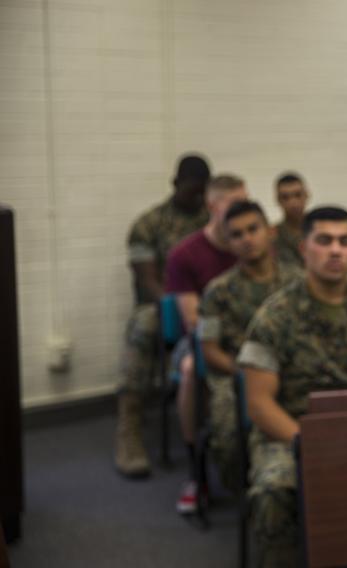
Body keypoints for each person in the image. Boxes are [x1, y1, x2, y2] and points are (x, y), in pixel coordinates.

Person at [238, 206, 347, 566]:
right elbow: (259, 404)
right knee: (275, 492)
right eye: (324, 241)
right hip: (291, 434)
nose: (335, 250)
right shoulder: (273, 316)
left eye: (345, 242)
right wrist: (310, 443)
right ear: (304, 249)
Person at [115, 153, 211, 479]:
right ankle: (129, 428)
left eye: (203, 192)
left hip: (210, 305)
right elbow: (148, 280)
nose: (197, 198)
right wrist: (179, 307)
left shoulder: (214, 222)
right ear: (175, 184)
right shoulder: (149, 224)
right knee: (143, 326)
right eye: (192, 190)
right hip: (161, 306)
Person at [197, 200, 303, 493]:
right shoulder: (217, 291)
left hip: (295, 368)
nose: (247, 239)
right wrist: (243, 371)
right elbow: (209, 349)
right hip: (236, 374)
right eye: (237, 234)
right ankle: (241, 490)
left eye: (253, 230)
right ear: (228, 243)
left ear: (270, 232)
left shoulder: (298, 279)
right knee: (228, 423)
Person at [165, 173, 248, 513]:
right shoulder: (185, 253)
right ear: (214, 206)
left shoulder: (250, 243)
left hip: (250, 335)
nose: (242, 212)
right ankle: (195, 473)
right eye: (234, 203)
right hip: (204, 338)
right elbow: (192, 319)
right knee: (188, 369)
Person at [271, 172, 309, 266]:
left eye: (297, 195)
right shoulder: (272, 236)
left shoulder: (320, 230)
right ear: (278, 200)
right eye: (285, 197)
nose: (293, 202)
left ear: (307, 195)